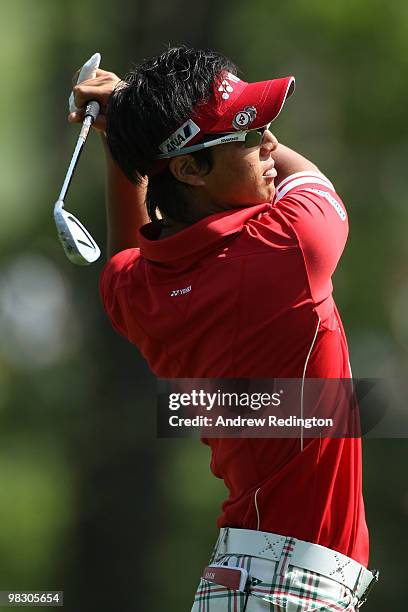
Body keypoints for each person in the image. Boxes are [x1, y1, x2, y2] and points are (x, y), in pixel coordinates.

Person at [70, 45, 379, 611]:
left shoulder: (138, 292)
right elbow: (308, 178)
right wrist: (126, 131)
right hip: (280, 587)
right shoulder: (288, 245)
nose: (268, 143)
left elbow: (125, 254)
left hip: (259, 581)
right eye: (246, 131)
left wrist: (126, 138)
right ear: (188, 169)